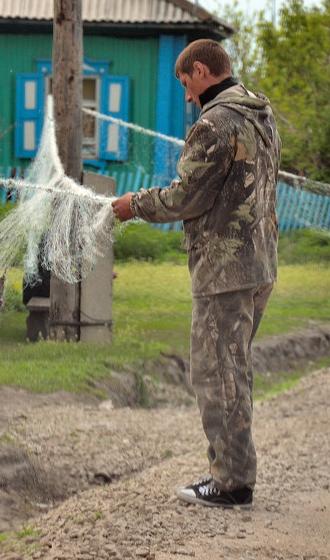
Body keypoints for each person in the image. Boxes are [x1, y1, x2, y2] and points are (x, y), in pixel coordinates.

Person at [112, 39, 281, 510]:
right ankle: (233, 472)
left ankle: (231, 483)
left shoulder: (215, 122)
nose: (188, 97)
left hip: (225, 269)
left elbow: (188, 196)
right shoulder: (261, 116)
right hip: (259, 263)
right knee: (235, 371)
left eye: (187, 84)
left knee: (217, 375)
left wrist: (134, 206)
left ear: (202, 71)